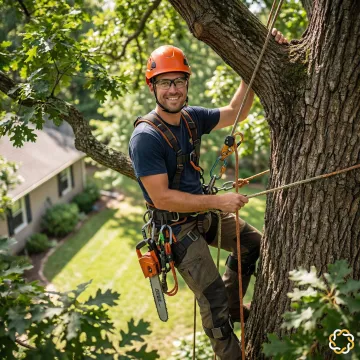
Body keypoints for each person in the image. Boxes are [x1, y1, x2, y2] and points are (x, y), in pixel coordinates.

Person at [129, 30, 287, 359]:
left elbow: (237, 111)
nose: (173, 89)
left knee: (251, 244)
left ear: (187, 84)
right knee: (211, 301)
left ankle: (233, 306)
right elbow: (162, 198)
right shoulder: (146, 137)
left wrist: (253, 64)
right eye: (164, 82)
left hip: (202, 214)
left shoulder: (191, 118)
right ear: (153, 87)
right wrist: (219, 202)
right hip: (176, 229)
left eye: (178, 81)